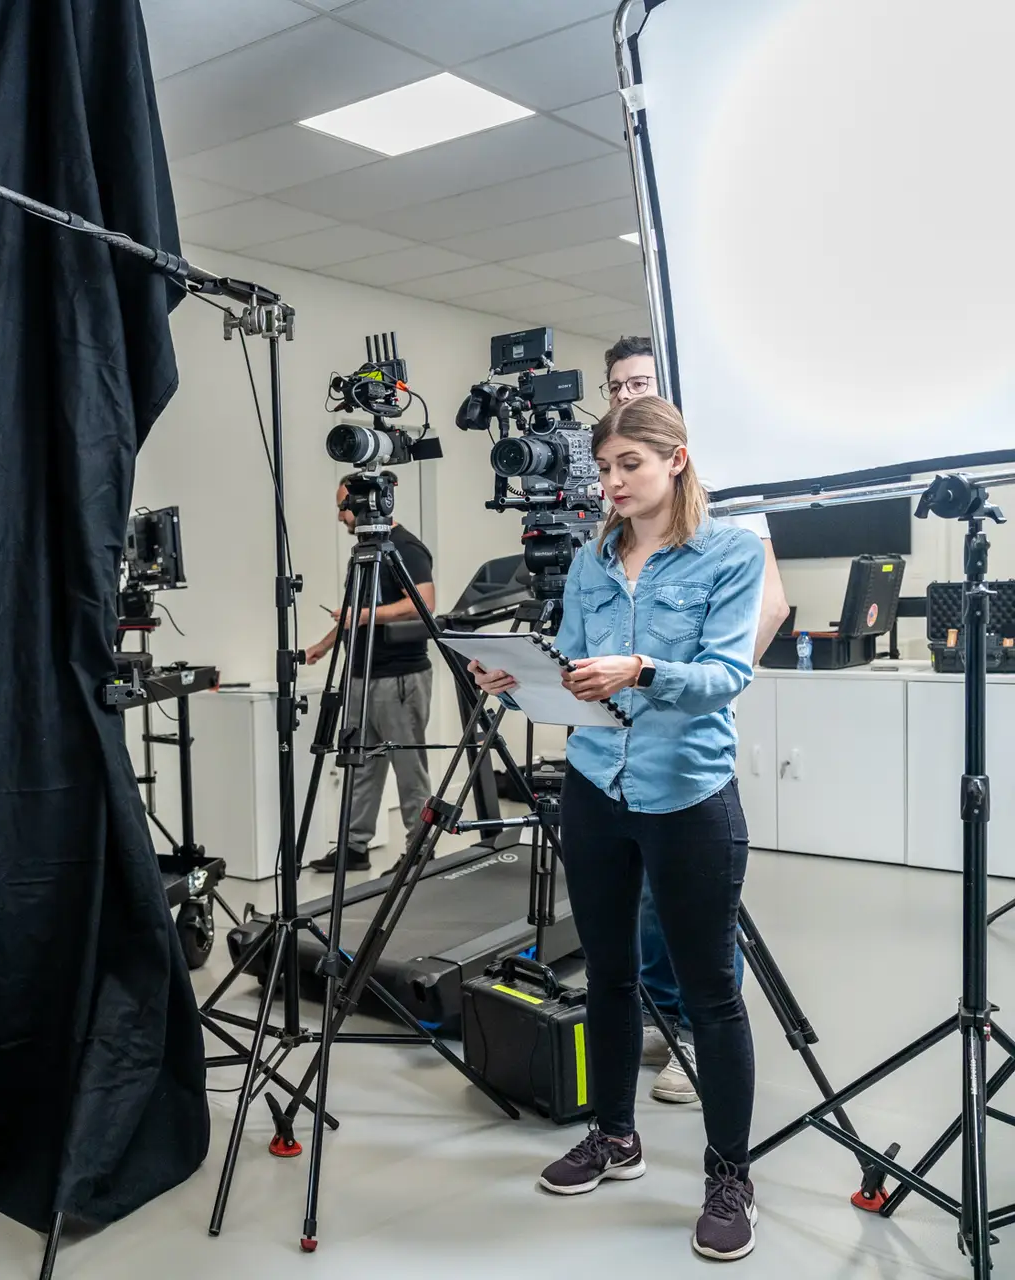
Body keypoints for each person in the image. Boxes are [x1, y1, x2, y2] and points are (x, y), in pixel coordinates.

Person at [471, 395, 765, 1261]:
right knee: (606, 975)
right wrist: (517, 680)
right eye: (602, 470)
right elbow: (567, 663)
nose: (611, 484)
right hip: (598, 786)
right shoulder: (598, 559)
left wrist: (642, 668)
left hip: (688, 794)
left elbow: (724, 677)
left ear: (674, 460)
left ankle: (729, 1174)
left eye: (627, 466)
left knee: (710, 994)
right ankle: (615, 1135)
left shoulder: (731, 552)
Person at [601, 335, 788, 1106]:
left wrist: (702, 684)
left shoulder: (729, 501)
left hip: (682, 725)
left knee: (690, 903)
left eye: (639, 382)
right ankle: (661, 1015)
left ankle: (696, 1035)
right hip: (615, 737)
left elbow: (769, 605)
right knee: (637, 895)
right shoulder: (616, 496)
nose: (623, 394)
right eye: (615, 385)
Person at [300, 475, 435, 873]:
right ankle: (354, 847)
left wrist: (361, 617)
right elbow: (354, 611)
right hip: (360, 674)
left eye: (345, 506)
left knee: (408, 769)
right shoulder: (364, 551)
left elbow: (423, 603)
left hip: (398, 678)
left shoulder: (406, 548)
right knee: (359, 765)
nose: (341, 516)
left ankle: (417, 851)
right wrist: (324, 645)